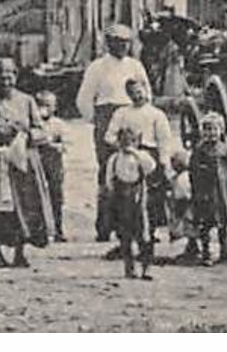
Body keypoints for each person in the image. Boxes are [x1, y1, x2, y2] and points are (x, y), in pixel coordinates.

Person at [0, 58, 54, 268]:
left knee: (22, 206)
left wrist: (25, 137)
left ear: (16, 76)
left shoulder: (26, 101)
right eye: (1, 76)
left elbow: (41, 130)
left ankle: (20, 251)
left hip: (21, 160)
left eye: (10, 76)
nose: (6, 81)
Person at [74, 24, 149, 242]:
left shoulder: (135, 66)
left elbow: (147, 93)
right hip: (106, 119)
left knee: (133, 170)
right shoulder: (97, 67)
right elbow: (84, 99)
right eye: (117, 41)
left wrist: (140, 117)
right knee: (108, 172)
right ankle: (105, 227)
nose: (122, 46)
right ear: (108, 43)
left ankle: (134, 227)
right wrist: (97, 122)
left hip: (132, 118)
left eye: (126, 42)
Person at [105, 77, 178, 251]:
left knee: (151, 200)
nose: (136, 96)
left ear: (145, 91)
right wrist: (122, 147)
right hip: (127, 157)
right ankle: (125, 239)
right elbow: (109, 135)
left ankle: (149, 236)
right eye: (132, 93)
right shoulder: (121, 113)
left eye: (139, 92)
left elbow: (164, 141)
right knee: (125, 199)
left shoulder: (156, 114)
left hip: (149, 156)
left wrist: (164, 163)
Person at [103, 125, 157, 281]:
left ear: (137, 141)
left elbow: (150, 168)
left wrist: (136, 153)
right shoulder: (114, 159)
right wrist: (112, 193)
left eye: (131, 141)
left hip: (138, 197)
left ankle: (146, 268)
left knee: (143, 233)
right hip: (121, 197)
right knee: (124, 234)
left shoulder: (141, 156)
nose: (127, 144)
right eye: (123, 141)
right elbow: (109, 179)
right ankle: (129, 267)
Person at [190, 112, 227, 265]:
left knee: (223, 223)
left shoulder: (224, 149)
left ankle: (224, 251)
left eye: (214, 129)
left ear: (221, 131)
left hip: (222, 192)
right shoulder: (199, 150)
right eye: (207, 130)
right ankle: (206, 252)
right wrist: (197, 190)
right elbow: (193, 171)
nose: (211, 133)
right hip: (205, 192)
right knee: (206, 223)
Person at [33, 90, 68, 242]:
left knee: (56, 195)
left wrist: (52, 144)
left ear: (54, 107)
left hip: (54, 161)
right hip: (37, 160)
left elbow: (66, 144)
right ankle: (39, 229)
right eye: (41, 105)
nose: (44, 109)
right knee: (36, 194)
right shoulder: (33, 123)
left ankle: (58, 229)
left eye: (48, 105)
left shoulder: (58, 124)